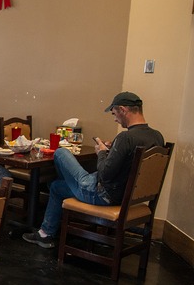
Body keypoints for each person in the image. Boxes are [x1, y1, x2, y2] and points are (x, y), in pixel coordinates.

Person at [23, 91, 165, 248]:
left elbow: (105, 174)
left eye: (115, 113)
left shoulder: (126, 138)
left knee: (61, 153)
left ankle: (47, 232)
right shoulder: (157, 136)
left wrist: (102, 152)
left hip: (103, 195)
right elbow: (129, 164)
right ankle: (45, 234)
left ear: (123, 110)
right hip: (125, 196)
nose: (115, 119)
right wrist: (114, 151)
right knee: (57, 186)